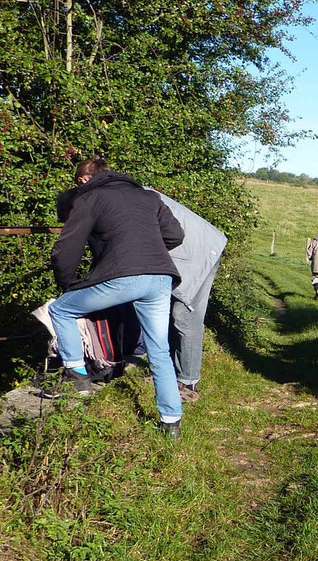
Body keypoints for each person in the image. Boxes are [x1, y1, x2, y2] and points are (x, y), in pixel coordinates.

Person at [47, 158, 185, 437]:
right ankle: (171, 422)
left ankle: (77, 376)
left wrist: (67, 282)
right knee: (159, 349)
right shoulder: (148, 196)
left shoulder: (90, 198)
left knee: (62, 310)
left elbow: (67, 247)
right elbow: (175, 234)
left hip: (124, 277)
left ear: (84, 180)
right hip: (160, 277)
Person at [157, 191, 227, 403]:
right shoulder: (129, 193)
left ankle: (187, 383)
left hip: (198, 252)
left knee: (185, 314)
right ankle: (171, 371)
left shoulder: (128, 199)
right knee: (171, 311)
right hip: (194, 247)